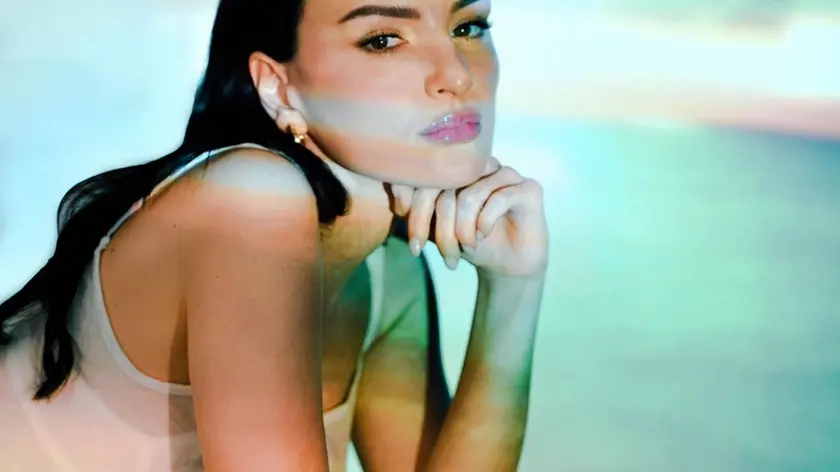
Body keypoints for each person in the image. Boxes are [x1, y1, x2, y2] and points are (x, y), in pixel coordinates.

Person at [0, 0, 548, 470]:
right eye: (383, 39)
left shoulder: (388, 271)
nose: (455, 74)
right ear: (279, 87)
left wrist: (513, 287)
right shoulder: (248, 198)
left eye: (468, 27)